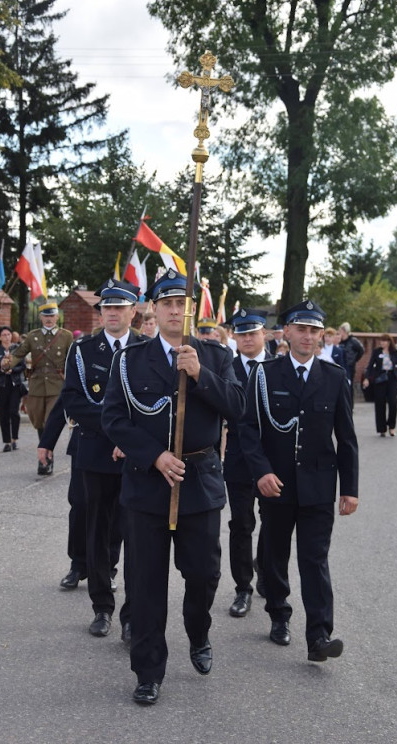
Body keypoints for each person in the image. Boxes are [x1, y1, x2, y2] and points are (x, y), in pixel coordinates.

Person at [101, 268, 245, 706]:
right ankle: (148, 670)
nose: (175, 310)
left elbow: (238, 408)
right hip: (147, 485)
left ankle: (198, 632)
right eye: (167, 303)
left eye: (182, 303)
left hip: (199, 482)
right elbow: (113, 418)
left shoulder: (217, 356)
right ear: (153, 309)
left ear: (192, 309)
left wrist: (201, 374)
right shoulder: (129, 360)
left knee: (203, 573)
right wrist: (154, 455)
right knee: (145, 583)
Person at [240, 299, 359, 662]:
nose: (307, 337)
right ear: (286, 332)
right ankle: (279, 614)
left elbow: (347, 437)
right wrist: (261, 471)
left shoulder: (335, 377)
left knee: (315, 560)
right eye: (301, 329)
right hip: (277, 484)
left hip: (319, 486)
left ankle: (320, 636)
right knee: (275, 556)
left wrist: (350, 489)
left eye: (314, 331)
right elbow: (247, 429)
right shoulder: (264, 375)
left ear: (321, 336)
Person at [62, 278, 147, 643]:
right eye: (106, 308)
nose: (112, 313)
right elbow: (73, 401)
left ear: (133, 312)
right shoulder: (83, 350)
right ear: (101, 313)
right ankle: (102, 607)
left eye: (119, 307)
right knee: (96, 532)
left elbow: (157, 404)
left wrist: (130, 441)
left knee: (137, 536)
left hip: (138, 458)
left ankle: (132, 614)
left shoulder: (147, 349)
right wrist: (117, 434)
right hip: (96, 454)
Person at [224, 308, 271, 618]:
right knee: (241, 524)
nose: (247, 339)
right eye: (241, 334)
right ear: (234, 337)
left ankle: (267, 572)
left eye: (252, 333)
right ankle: (243, 587)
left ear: (263, 334)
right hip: (239, 461)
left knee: (273, 524)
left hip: (272, 463)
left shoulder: (279, 367)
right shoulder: (226, 369)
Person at [1, 302, 73, 474]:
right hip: (37, 385)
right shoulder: (33, 336)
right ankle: (45, 450)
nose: (49, 319)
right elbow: (18, 354)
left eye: (52, 316)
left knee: (50, 421)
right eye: (45, 316)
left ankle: (47, 459)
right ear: (41, 317)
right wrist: (7, 363)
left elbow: (72, 359)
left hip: (57, 385)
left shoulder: (66, 336)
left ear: (57, 317)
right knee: (38, 421)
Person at [37, 395, 86, 589]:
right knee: (79, 504)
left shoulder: (127, 363)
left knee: (113, 510)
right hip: (84, 441)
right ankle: (77, 565)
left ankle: (108, 568)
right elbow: (68, 398)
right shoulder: (80, 362)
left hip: (116, 444)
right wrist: (47, 441)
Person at [362, 333, 397, 437]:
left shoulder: (394, 352)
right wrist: (367, 378)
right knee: (380, 404)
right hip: (380, 379)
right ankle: (381, 428)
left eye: (384, 341)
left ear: (388, 342)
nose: (382, 343)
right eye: (381, 341)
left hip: (392, 379)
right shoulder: (377, 352)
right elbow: (370, 366)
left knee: (393, 403)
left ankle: (392, 427)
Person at [0, 326, 26, 452]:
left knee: (13, 412)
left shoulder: (17, 349)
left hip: (15, 385)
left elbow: (23, 366)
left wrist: (12, 370)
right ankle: (7, 442)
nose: (7, 337)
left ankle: (14, 439)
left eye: (8, 334)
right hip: (1, 385)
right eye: (4, 335)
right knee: (3, 413)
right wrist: (2, 371)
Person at [338, 322, 364, 407]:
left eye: (340, 330)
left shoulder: (353, 341)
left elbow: (361, 350)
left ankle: (350, 405)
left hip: (349, 366)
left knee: (349, 386)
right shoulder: (340, 342)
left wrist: (354, 360)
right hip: (341, 365)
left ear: (345, 331)